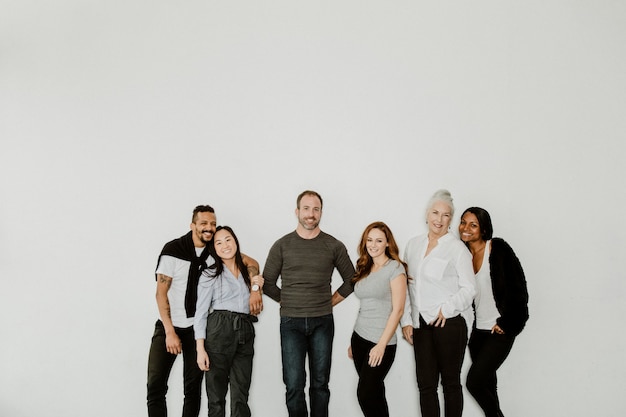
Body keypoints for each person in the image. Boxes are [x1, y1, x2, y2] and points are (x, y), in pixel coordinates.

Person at [147, 205, 263, 417]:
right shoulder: (173, 250)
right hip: (169, 325)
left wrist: (255, 289)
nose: (209, 228)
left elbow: (249, 262)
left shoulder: (215, 251)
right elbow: (160, 294)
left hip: (197, 328)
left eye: (212, 223)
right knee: (155, 385)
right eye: (203, 224)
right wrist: (170, 331)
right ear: (193, 226)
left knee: (193, 391)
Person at [262, 190, 355, 417]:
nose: (310, 214)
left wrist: (330, 301)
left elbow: (352, 280)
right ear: (297, 211)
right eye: (306, 208)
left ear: (321, 212)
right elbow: (267, 283)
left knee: (320, 384)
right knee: (294, 385)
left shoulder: (334, 246)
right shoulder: (282, 245)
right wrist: (289, 300)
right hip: (291, 322)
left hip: (322, 321)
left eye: (316, 209)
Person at [400, 189, 476, 417]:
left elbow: (470, 288)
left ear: (450, 220)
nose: (439, 220)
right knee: (426, 386)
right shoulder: (413, 245)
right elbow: (406, 286)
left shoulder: (457, 249)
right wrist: (406, 321)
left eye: (445, 215)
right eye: (435, 213)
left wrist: (447, 309)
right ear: (427, 214)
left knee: (451, 383)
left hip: (449, 324)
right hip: (420, 325)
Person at [458, 207, 529, 417]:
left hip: (499, 330)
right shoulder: (462, 256)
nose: (466, 228)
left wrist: (508, 324)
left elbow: (519, 288)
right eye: (463, 222)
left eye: (473, 224)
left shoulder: (497, 249)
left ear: (484, 229)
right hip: (478, 333)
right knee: (488, 387)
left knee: (474, 382)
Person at [194, 226, 264, 417]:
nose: (225, 245)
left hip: (245, 329)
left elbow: (256, 271)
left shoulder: (247, 272)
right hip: (219, 329)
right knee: (216, 396)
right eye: (218, 243)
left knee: (241, 394)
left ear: (235, 241)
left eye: (228, 240)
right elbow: (200, 313)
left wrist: (256, 288)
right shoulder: (210, 274)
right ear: (213, 249)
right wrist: (200, 349)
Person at [348, 222, 407, 417]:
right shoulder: (365, 266)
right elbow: (365, 305)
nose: (373, 245)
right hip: (359, 339)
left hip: (381, 342)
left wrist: (381, 345)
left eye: (379, 240)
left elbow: (398, 310)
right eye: (370, 240)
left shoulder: (395, 268)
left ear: (387, 243)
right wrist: (353, 342)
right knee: (374, 393)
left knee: (365, 393)